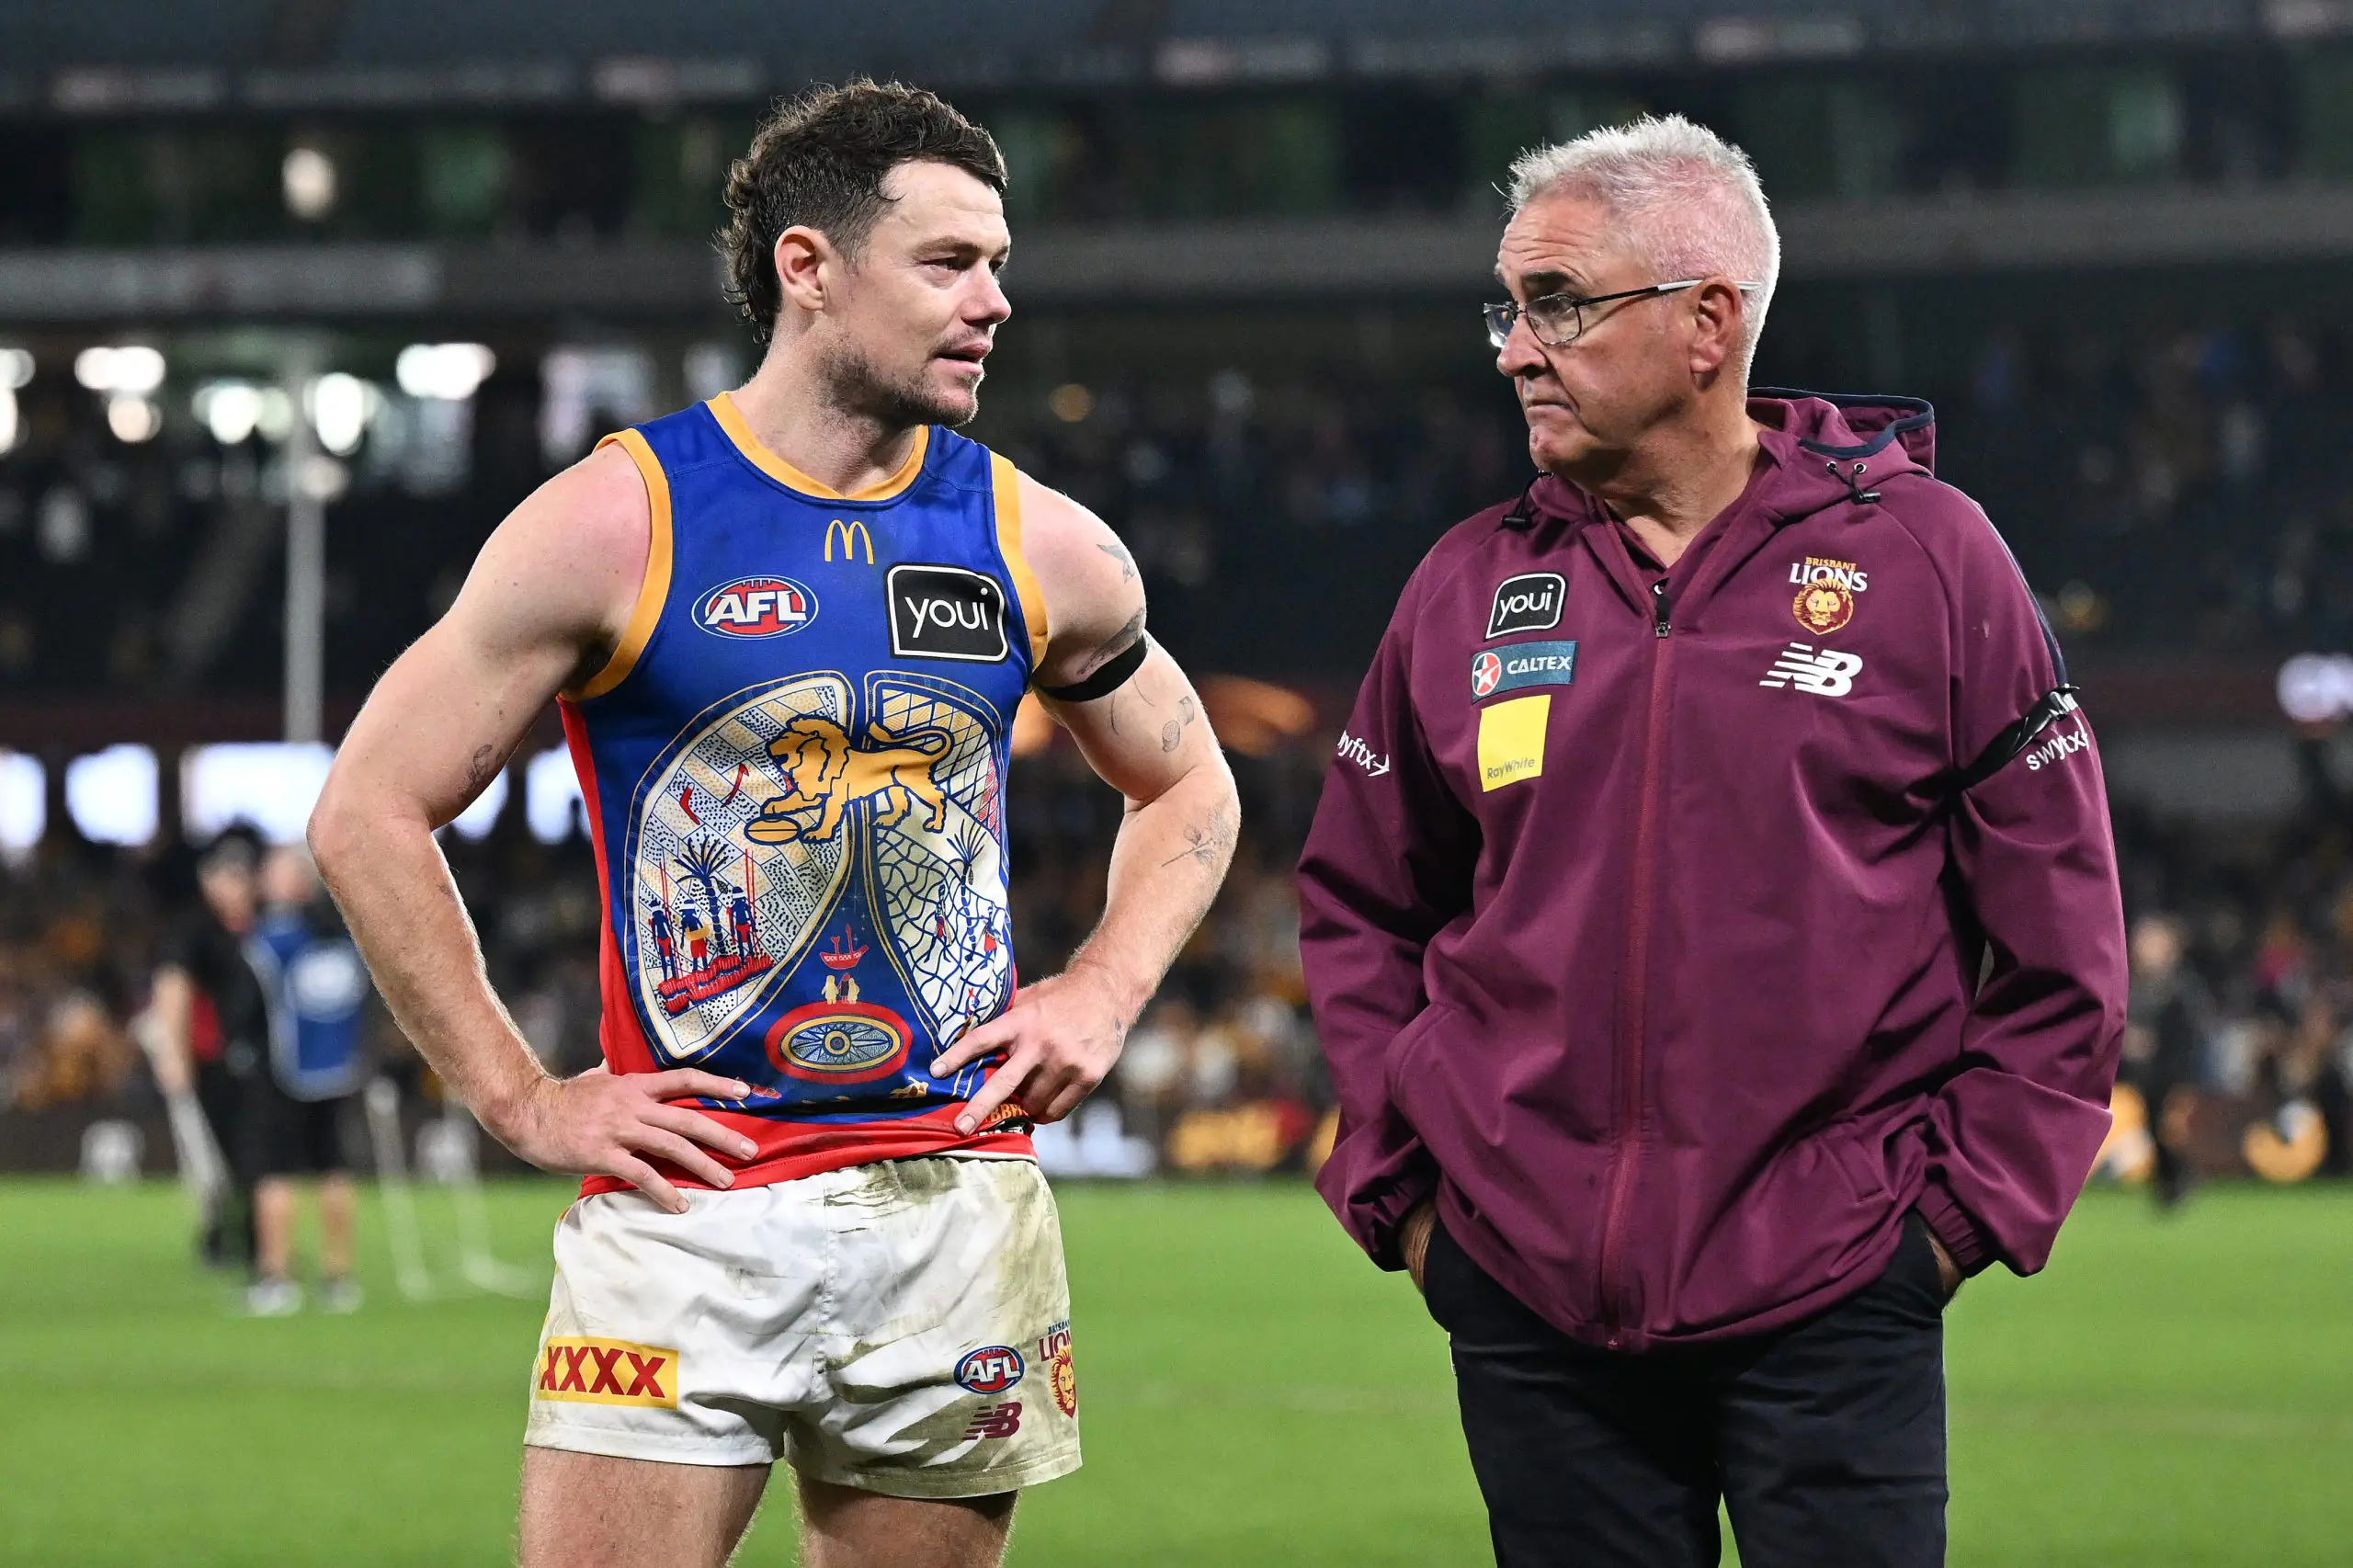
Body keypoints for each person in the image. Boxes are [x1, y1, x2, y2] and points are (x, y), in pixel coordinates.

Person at [311, 80, 1236, 1568]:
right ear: (809, 268)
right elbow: (365, 810)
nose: (995, 301)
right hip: (692, 1210)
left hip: (958, 1206)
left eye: (1000, 262)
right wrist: (522, 1098)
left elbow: (1192, 781)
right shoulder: (619, 523)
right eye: (949, 263)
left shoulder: (1038, 539)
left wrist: (1108, 989)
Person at [1297, 115, 2126, 1568]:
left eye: (1558, 303)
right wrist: (1418, 1197)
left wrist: (1945, 1221)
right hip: (1529, 1298)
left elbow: (2065, 938)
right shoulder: (1466, 586)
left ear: (1706, 323)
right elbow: (1362, 906)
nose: (1513, 346)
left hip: (1837, 1289)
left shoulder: (1930, 563)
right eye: (1509, 305)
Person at [239, 843, 372, 1315]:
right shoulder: (347, 937)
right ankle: (339, 1279)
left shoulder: (274, 938)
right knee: (334, 1170)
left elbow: (248, 980)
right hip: (340, 1070)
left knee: (275, 1174)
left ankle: (276, 1278)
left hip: (285, 1071)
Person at [148, 831, 267, 1269]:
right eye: (227, 875)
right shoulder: (194, 930)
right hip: (212, 1059)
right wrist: (173, 1057)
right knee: (218, 1158)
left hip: (261, 1060)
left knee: (255, 1155)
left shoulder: (264, 927)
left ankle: (254, 1239)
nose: (235, 885)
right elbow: (172, 990)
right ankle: (223, 1236)